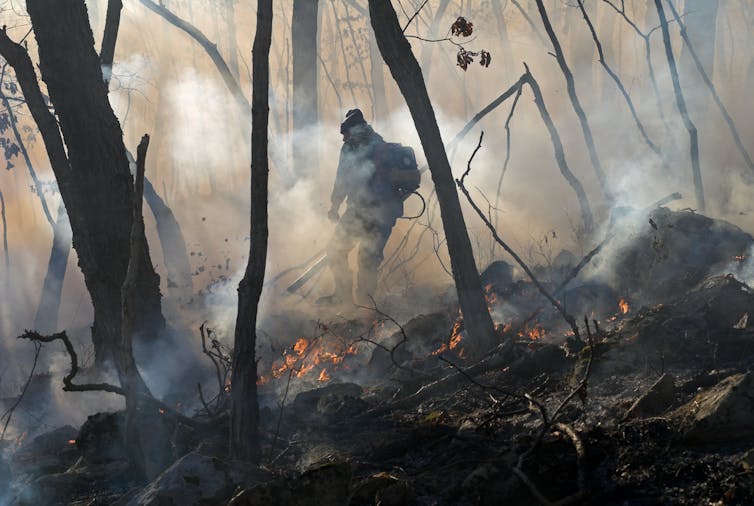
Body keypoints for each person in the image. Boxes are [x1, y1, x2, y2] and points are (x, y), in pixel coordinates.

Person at [324, 109, 404, 306]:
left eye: (345, 134)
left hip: (364, 211)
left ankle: (349, 302)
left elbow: (342, 178)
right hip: (382, 212)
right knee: (366, 259)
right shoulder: (379, 143)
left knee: (338, 251)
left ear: (351, 131)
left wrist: (335, 205)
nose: (343, 139)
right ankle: (362, 307)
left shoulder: (352, 147)